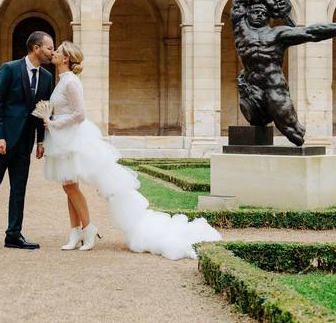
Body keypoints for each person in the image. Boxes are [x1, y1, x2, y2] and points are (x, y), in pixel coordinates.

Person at [42, 42, 221, 259]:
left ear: (66, 59)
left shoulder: (71, 82)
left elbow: (80, 114)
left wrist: (53, 125)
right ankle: (74, 233)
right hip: (62, 139)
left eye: (58, 51)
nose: (54, 53)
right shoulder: (61, 81)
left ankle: (88, 230)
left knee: (74, 187)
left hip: (72, 138)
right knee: (69, 186)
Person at [230, 0, 336, 146]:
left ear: (269, 17)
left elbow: (310, 32)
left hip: (273, 86)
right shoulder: (240, 30)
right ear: (246, 15)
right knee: (255, 120)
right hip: (250, 87)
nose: (259, 15)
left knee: (294, 134)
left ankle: (294, 130)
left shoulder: (278, 33)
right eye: (255, 12)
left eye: (264, 13)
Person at [0, 31, 54, 251]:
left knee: (18, 188)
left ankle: (13, 234)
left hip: (25, 143)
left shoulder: (47, 77)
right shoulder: (9, 69)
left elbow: (42, 109)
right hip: (3, 140)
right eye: (49, 48)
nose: (52, 52)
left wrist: (41, 141)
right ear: (36, 48)